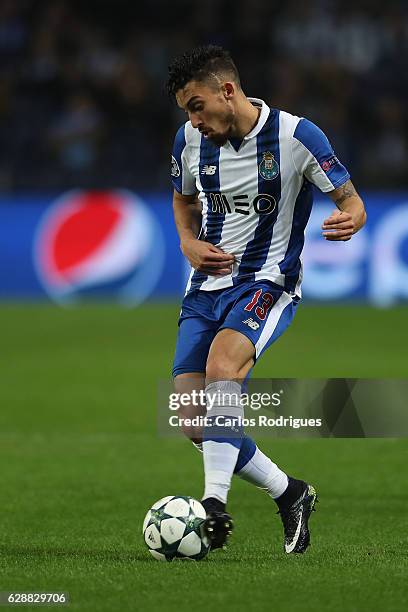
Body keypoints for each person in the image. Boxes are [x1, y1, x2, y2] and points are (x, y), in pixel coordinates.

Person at [166, 45, 366, 553]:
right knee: (194, 422)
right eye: (186, 110)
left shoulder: (296, 136)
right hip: (204, 290)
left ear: (226, 91)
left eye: (196, 105)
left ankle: (213, 505)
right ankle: (290, 492)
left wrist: (353, 217)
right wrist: (189, 243)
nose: (193, 119)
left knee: (222, 366)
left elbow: (350, 197)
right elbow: (183, 199)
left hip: (267, 281)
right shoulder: (189, 139)